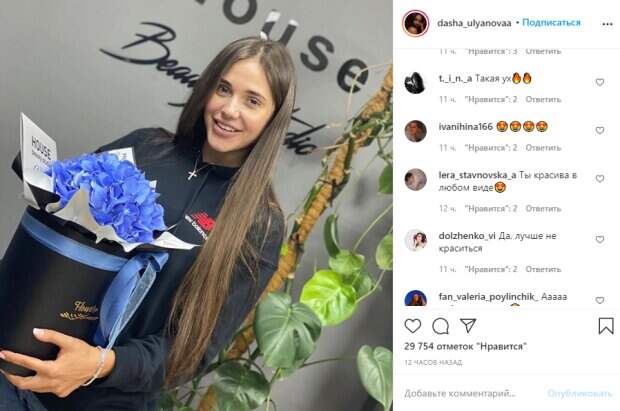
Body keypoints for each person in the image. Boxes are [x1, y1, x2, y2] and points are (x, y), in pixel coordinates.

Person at [0, 36, 295, 411]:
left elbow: (191, 352)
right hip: (14, 364)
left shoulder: (260, 225)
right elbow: (58, 231)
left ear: (273, 117)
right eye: (224, 89)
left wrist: (99, 364)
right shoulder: (146, 146)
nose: (229, 109)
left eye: (252, 101)